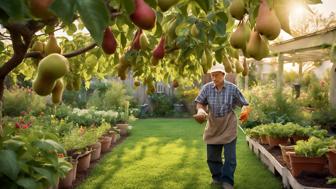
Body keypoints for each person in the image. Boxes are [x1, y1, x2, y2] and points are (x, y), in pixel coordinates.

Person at [193, 63, 249, 189]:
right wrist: (200, 111)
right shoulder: (207, 88)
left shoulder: (232, 88)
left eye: (216, 75)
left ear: (224, 75)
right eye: (212, 75)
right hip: (213, 124)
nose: (214, 78)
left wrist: (245, 111)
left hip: (229, 123)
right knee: (212, 156)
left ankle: (228, 181)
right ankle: (217, 177)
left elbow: (244, 103)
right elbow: (200, 103)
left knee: (230, 157)